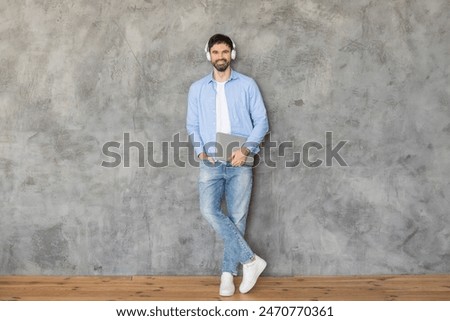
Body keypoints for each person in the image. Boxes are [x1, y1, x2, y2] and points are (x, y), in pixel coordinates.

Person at [186, 34, 269, 296]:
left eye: (224, 51)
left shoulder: (247, 85)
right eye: (215, 52)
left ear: (231, 54)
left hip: (240, 160)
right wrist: (200, 152)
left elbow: (262, 123)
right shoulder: (197, 88)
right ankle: (251, 261)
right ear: (208, 55)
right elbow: (192, 125)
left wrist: (246, 150)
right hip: (210, 161)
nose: (219, 56)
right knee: (209, 210)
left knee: (237, 218)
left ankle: (226, 275)